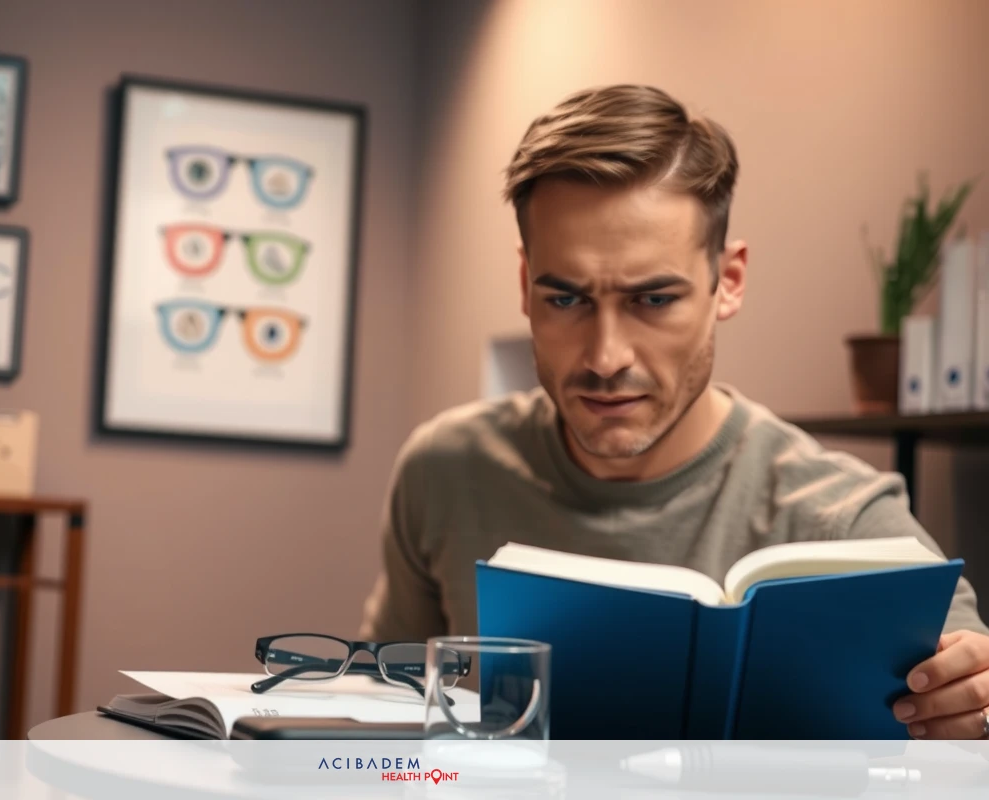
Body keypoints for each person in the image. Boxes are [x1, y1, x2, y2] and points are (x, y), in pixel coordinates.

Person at [358, 84, 989, 739]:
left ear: (729, 281)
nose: (605, 358)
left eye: (653, 299)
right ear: (525, 284)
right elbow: (381, 705)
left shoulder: (839, 513)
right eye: (566, 300)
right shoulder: (445, 470)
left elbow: (973, 688)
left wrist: (973, 704)